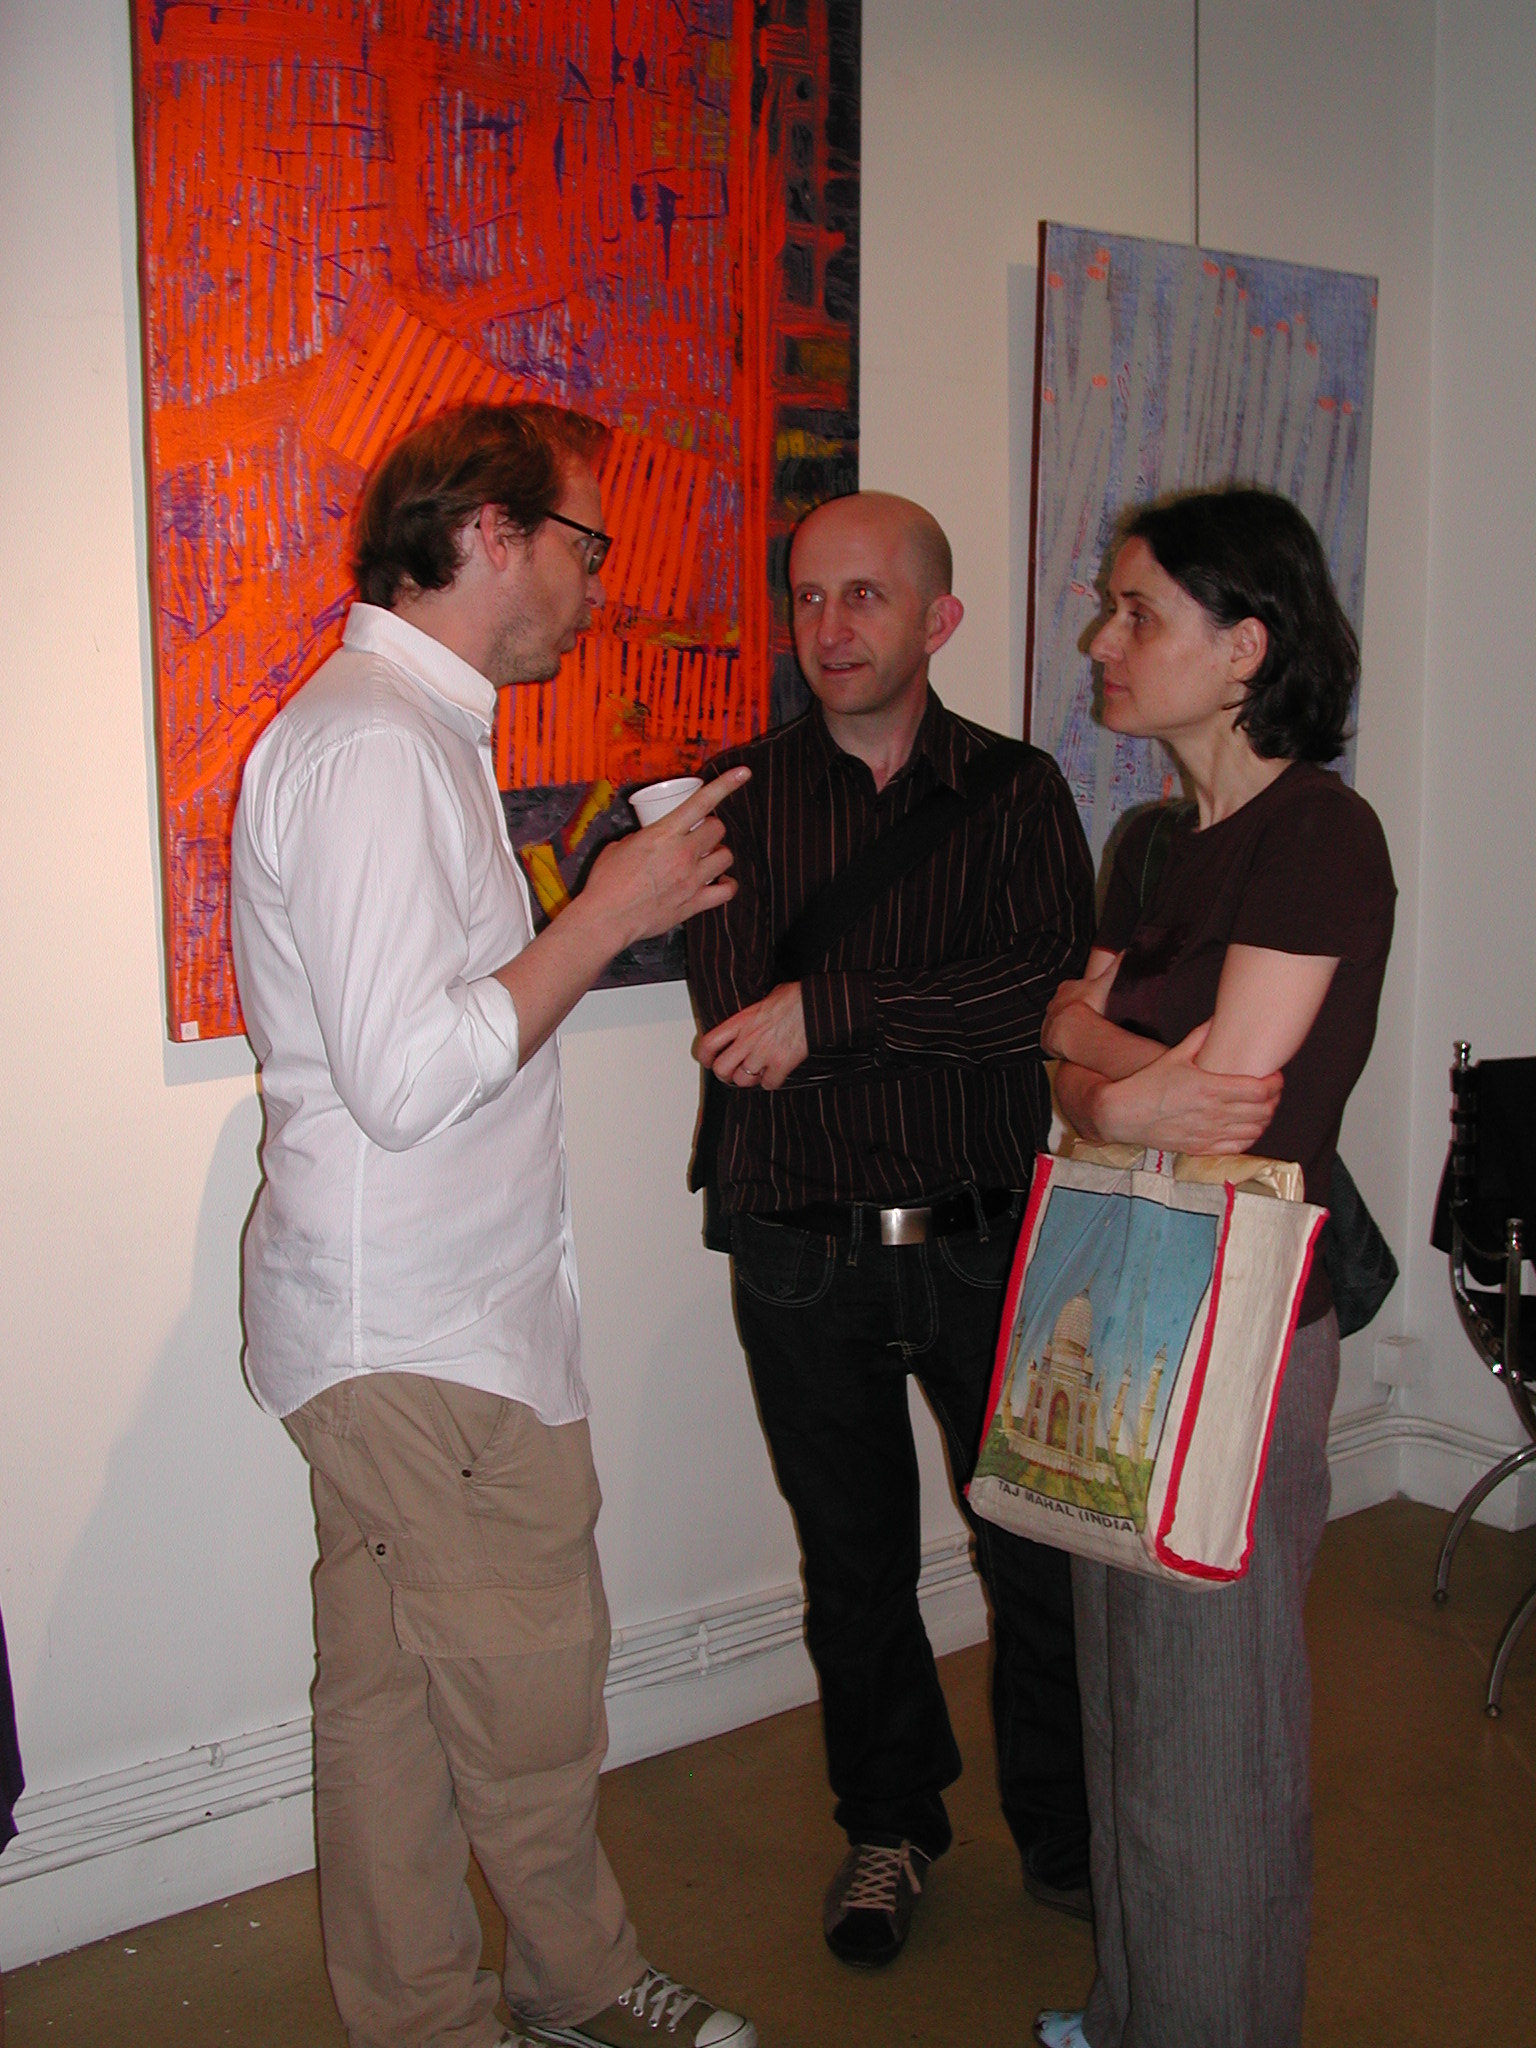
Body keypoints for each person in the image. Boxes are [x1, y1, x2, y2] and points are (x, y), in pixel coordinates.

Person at [230, 401, 757, 2048]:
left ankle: (424, 2021)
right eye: (583, 543)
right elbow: (407, 1080)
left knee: (389, 1708)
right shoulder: (377, 747)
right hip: (424, 1336)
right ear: (488, 536)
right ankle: (578, 1983)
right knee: (527, 1699)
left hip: (419, 1321)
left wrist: (602, 906)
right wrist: (610, 912)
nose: (599, 584)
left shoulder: (410, 731)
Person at [686, 490, 1098, 1969]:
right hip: (799, 1249)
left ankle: (1068, 1832)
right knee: (852, 1564)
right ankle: (889, 1825)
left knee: (1037, 1556)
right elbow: (740, 1025)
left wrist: (836, 1009)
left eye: (865, 595)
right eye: (808, 596)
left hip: (987, 1242)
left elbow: (1044, 993)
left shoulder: (1018, 792)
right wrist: (904, 1014)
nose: (830, 626)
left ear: (940, 618)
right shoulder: (732, 799)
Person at [1031, 487, 1396, 2048]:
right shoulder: (1156, 845)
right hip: (1128, 1297)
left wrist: (1095, 1073)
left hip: (1238, 1330)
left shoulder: (1319, 835)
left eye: (1138, 614)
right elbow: (1072, 1046)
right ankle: (1134, 2015)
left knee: (1214, 1740)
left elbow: (1234, 1100)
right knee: (1128, 1710)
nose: (1103, 642)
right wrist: (1116, 1084)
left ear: (1247, 647)